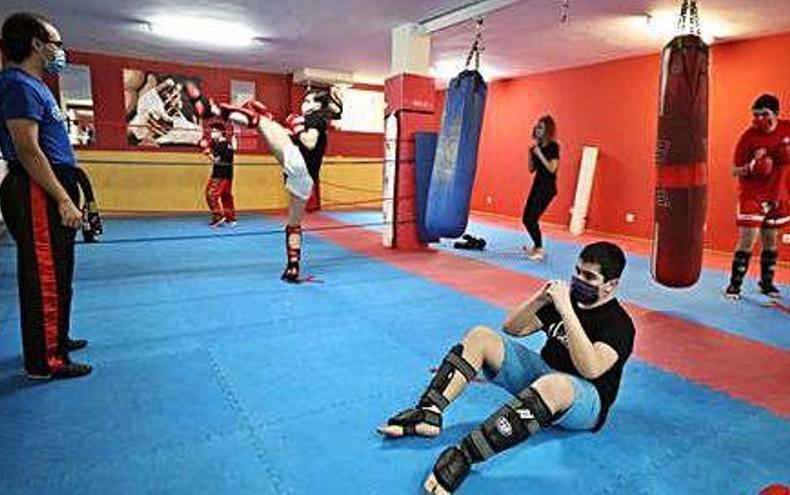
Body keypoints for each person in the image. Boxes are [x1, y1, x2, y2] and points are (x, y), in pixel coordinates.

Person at [378, 242, 636, 494]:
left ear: (611, 285)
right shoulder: (563, 300)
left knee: (555, 384)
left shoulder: (619, 325)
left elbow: (590, 368)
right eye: (578, 271)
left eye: (589, 276)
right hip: (543, 376)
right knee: (481, 336)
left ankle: (465, 454)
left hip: (585, 401)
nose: (579, 279)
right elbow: (512, 328)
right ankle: (428, 413)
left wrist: (566, 311)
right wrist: (540, 298)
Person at [0, 12, 91, 379]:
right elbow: (27, 149)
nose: (59, 50)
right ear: (36, 44)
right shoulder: (17, 83)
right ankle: (46, 361)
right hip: (37, 187)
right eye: (55, 43)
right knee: (44, 274)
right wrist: (63, 198)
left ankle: (55, 339)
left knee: (59, 269)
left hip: (51, 184)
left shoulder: (34, 85)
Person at [218, 87, 341, 282]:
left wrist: (295, 125)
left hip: (298, 164)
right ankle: (293, 267)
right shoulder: (310, 121)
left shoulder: (314, 119)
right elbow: (290, 137)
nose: (304, 104)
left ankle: (220, 112)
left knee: (262, 122)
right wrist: (286, 127)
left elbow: (309, 142)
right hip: (304, 180)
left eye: (308, 101)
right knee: (293, 225)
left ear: (318, 106)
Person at [725, 94, 790, 300]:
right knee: (748, 240)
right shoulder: (748, 137)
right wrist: (752, 166)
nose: (760, 119)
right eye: (756, 115)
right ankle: (734, 286)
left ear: (776, 114)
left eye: (764, 114)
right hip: (753, 195)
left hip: (778, 193)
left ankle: (766, 284)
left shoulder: (788, 128)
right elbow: (735, 170)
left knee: (771, 241)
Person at [523, 115, 560, 262]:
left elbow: (552, 168)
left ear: (547, 130)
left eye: (541, 127)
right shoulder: (536, 148)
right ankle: (536, 245)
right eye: (537, 127)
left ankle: (539, 248)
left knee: (532, 219)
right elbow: (531, 169)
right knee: (526, 218)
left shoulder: (553, 147)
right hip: (537, 185)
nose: (537, 130)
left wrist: (539, 154)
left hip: (547, 188)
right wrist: (531, 155)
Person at [202, 122, 236, 227]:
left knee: (210, 194)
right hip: (228, 174)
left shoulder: (221, 146)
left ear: (220, 132)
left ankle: (218, 217)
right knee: (226, 196)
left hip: (220, 174)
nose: (212, 133)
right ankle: (230, 218)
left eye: (214, 131)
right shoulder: (227, 144)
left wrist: (208, 154)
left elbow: (217, 160)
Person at [73, 166, 102, 242]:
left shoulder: (78, 172)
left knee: (89, 209)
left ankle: (90, 233)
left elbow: (89, 195)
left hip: (87, 199)